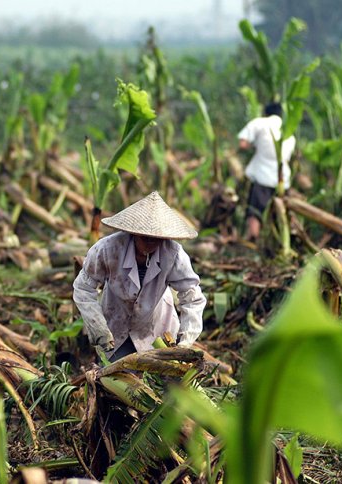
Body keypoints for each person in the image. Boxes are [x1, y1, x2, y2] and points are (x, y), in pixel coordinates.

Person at [73, 192, 207, 361]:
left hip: (157, 329)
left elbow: (192, 297)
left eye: (156, 239)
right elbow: (83, 288)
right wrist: (99, 328)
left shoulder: (173, 254)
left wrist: (185, 343)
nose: (151, 243)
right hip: (115, 326)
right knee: (116, 377)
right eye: (146, 238)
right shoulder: (108, 249)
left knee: (164, 381)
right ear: (134, 233)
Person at [238, 102, 296, 241]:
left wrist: (256, 145)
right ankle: (280, 241)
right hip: (283, 179)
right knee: (279, 212)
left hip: (262, 175)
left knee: (255, 210)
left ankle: (253, 238)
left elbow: (243, 144)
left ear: (265, 112)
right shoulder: (289, 129)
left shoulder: (260, 123)